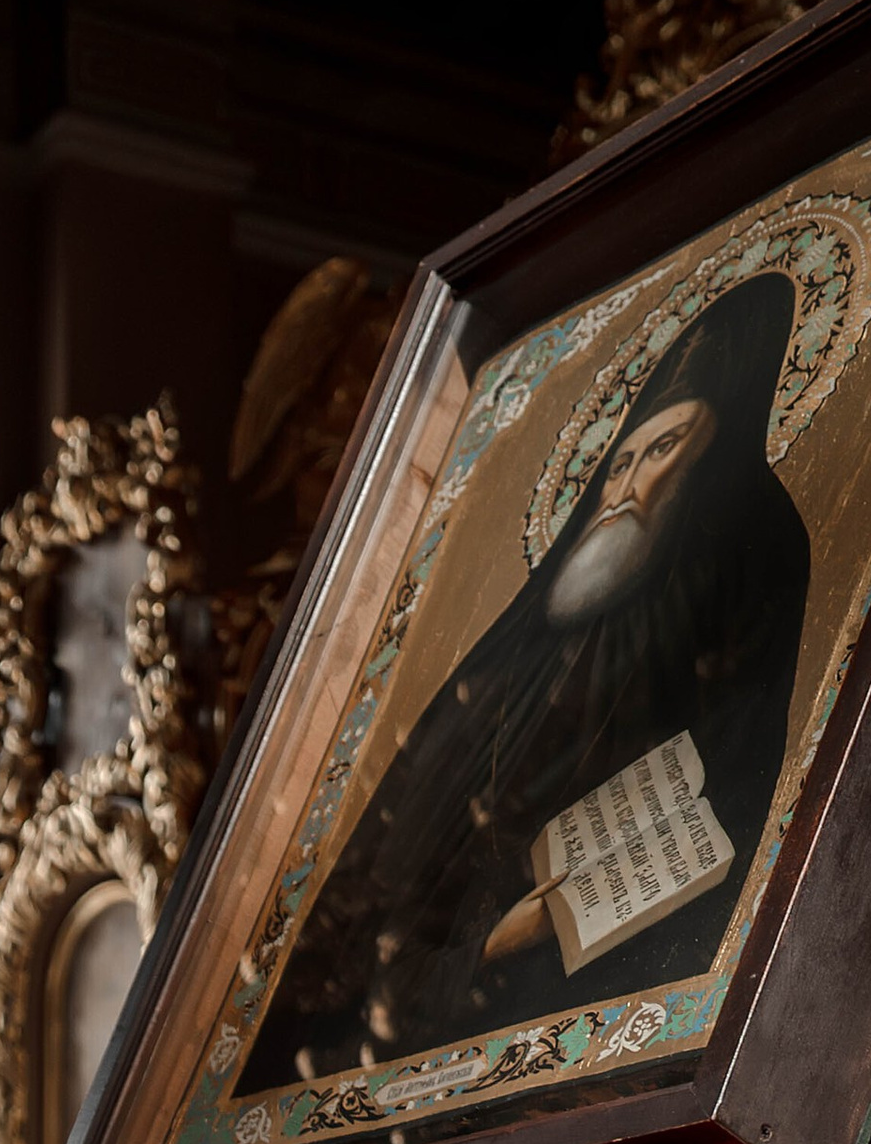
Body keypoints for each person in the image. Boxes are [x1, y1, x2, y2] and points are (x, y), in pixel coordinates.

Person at [243, 269, 811, 1091]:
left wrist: (519, 933)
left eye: (663, 451)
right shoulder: (541, 620)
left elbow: (730, 786)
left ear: (712, 462)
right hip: (416, 982)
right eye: (618, 463)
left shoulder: (741, 563)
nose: (624, 489)